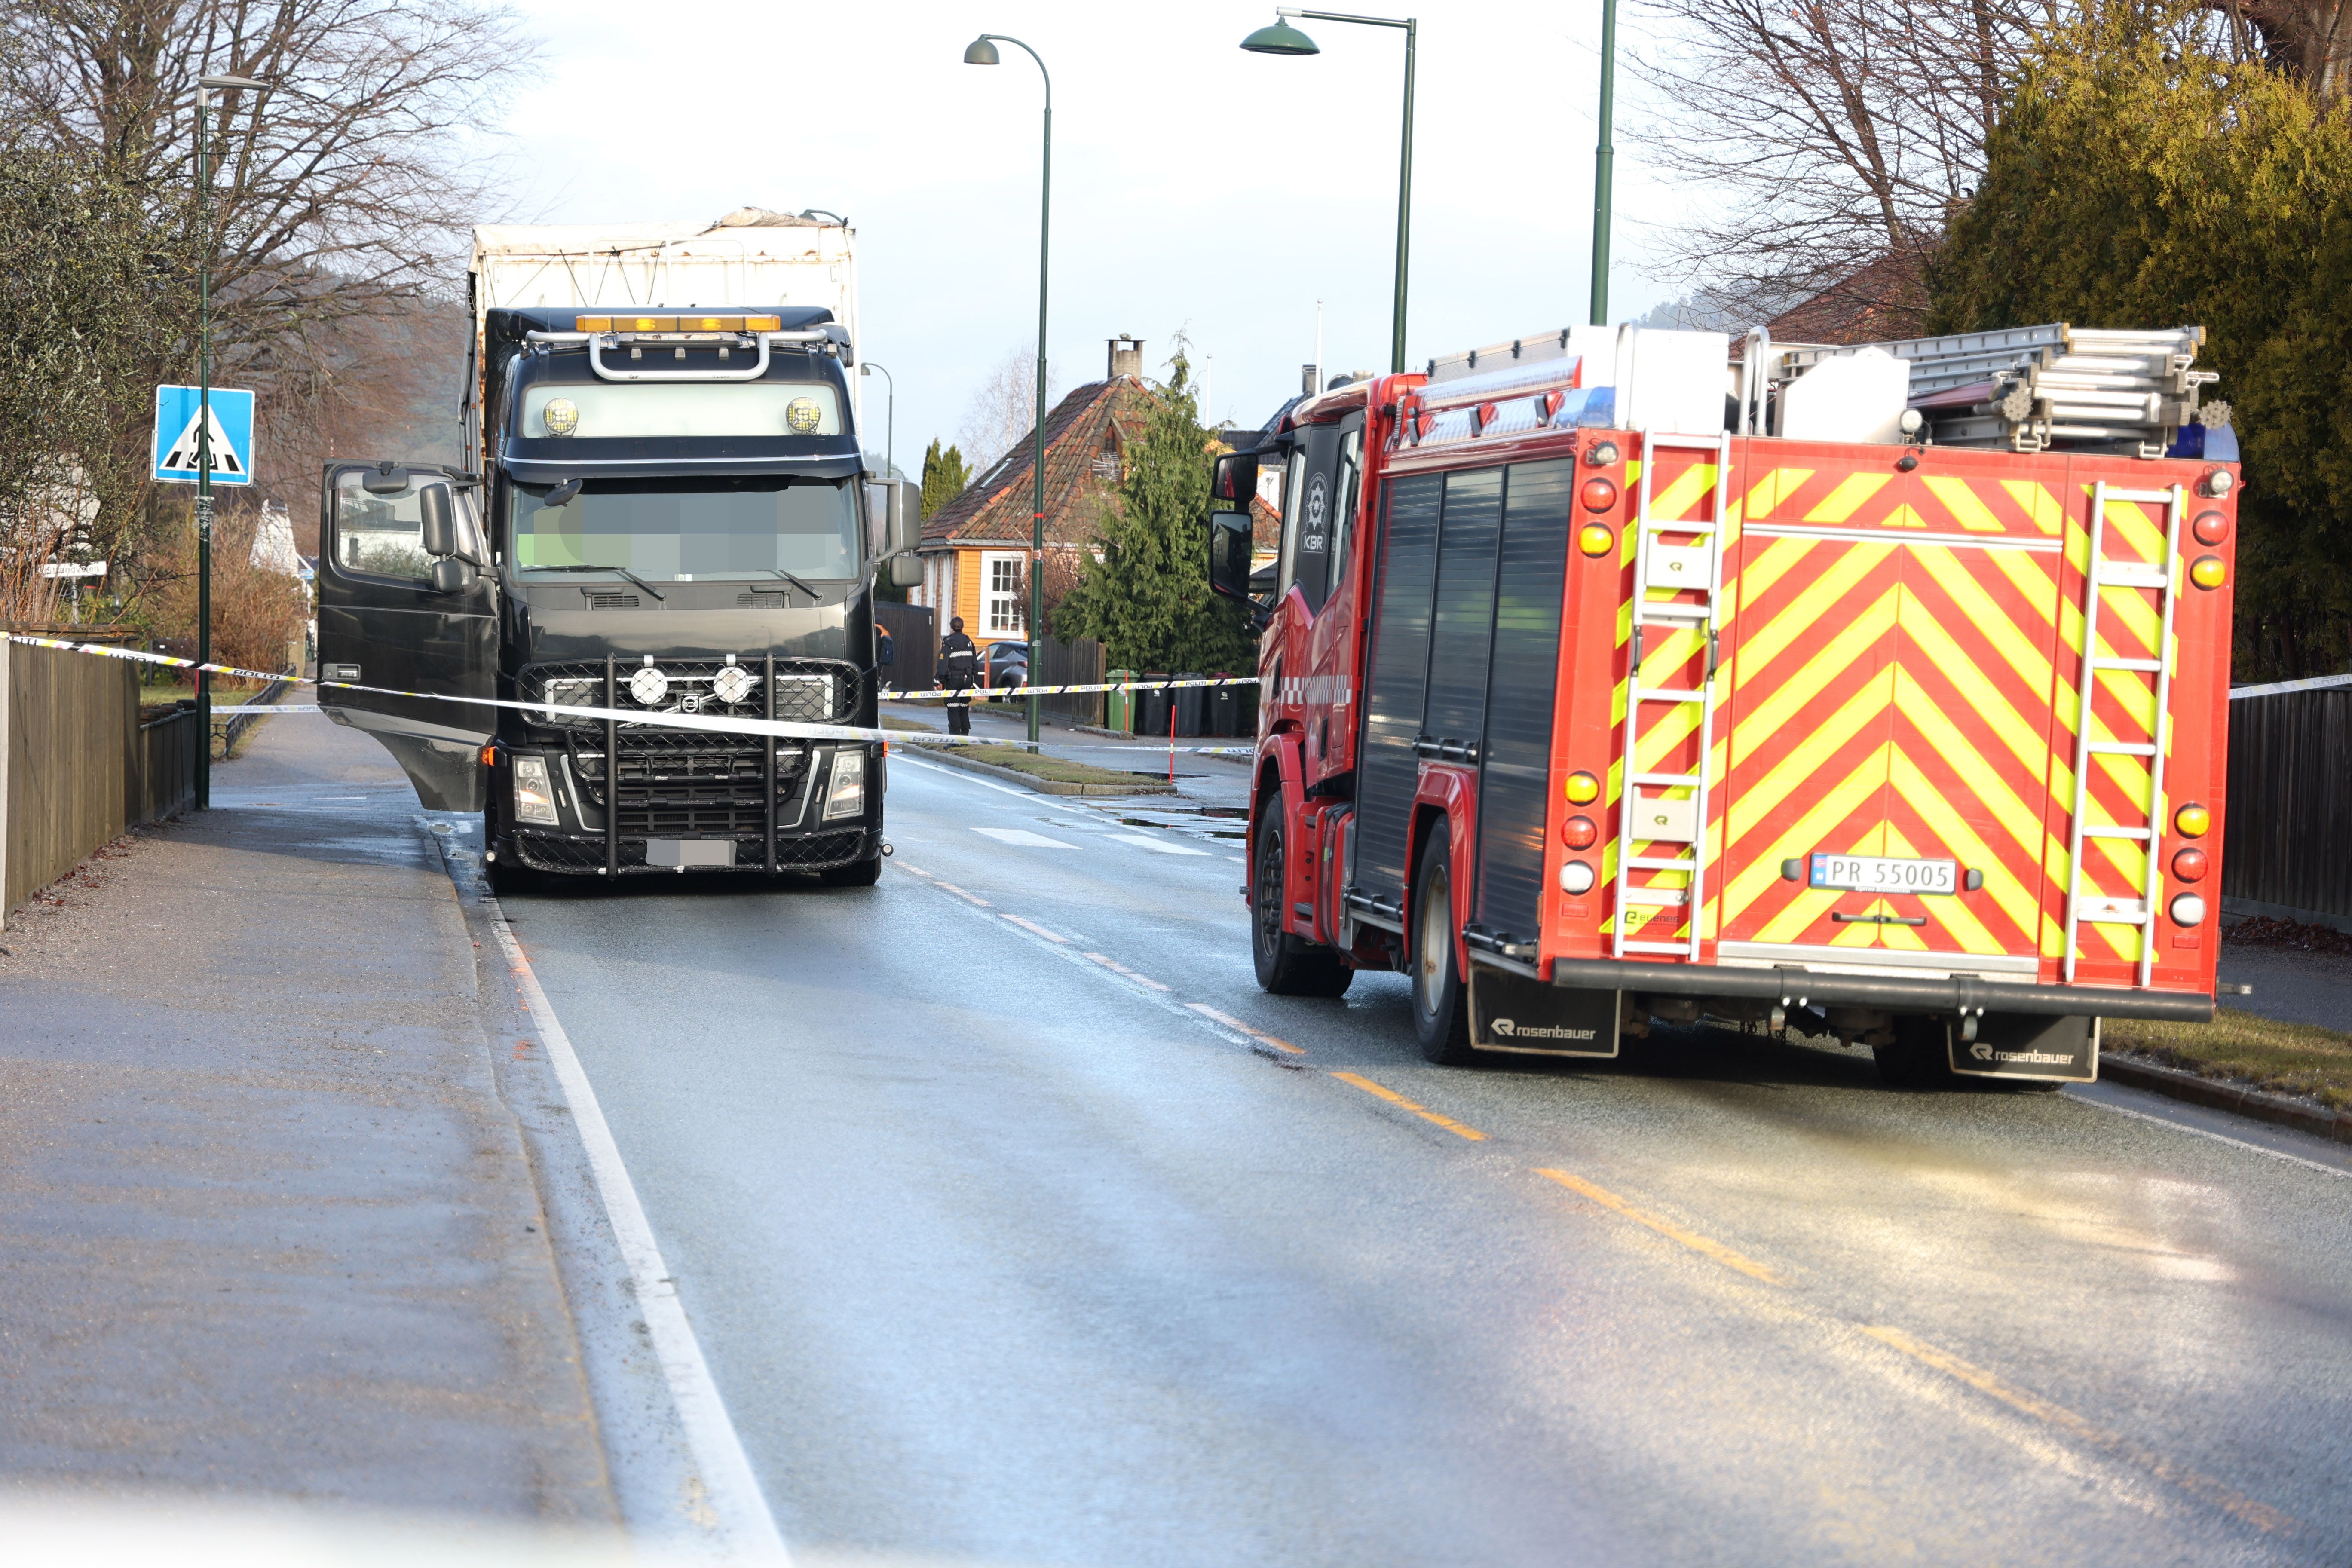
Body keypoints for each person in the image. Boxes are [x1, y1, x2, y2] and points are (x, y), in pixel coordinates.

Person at [937, 616, 978, 736]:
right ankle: (965, 736)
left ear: (952, 628)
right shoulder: (969, 642)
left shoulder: (948, 643)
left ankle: (955, 739)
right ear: (962, 627)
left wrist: (937, 680)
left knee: (953, 708)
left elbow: (943, 664)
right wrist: (973, 679)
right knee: (964, 708)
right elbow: (975, 663)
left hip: (953, 681)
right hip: (967, 681)